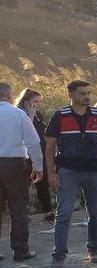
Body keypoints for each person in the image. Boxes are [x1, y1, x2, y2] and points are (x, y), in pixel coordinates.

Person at [45, 80, 97, 268]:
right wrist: (51, 173)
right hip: (68, 171)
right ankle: (59, 256)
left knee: (96, 215)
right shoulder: (60, 116)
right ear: (70, 94)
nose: (87, 97)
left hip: (95, 170)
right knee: (63, 214)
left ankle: (93, 248)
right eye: (82, 93)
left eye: (89, 93)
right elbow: (49, 146)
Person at [0, 82, 43, 262]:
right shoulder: (18, 114)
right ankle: (20, 249)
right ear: (9, 96)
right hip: (15, 165)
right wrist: (38, 167)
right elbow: (33, 142)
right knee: (18, 207)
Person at [15, 88, 53, 222]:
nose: (38, 104)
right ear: (26, 102)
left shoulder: (38, 115)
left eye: (40, 101)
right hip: (25, 156)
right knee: (24, 185)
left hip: (39, 153)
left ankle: (48, 211)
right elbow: (26, 133)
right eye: (35, 101)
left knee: (43, 183)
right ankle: (23, 213)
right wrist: (30, 114)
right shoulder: (19, 114)